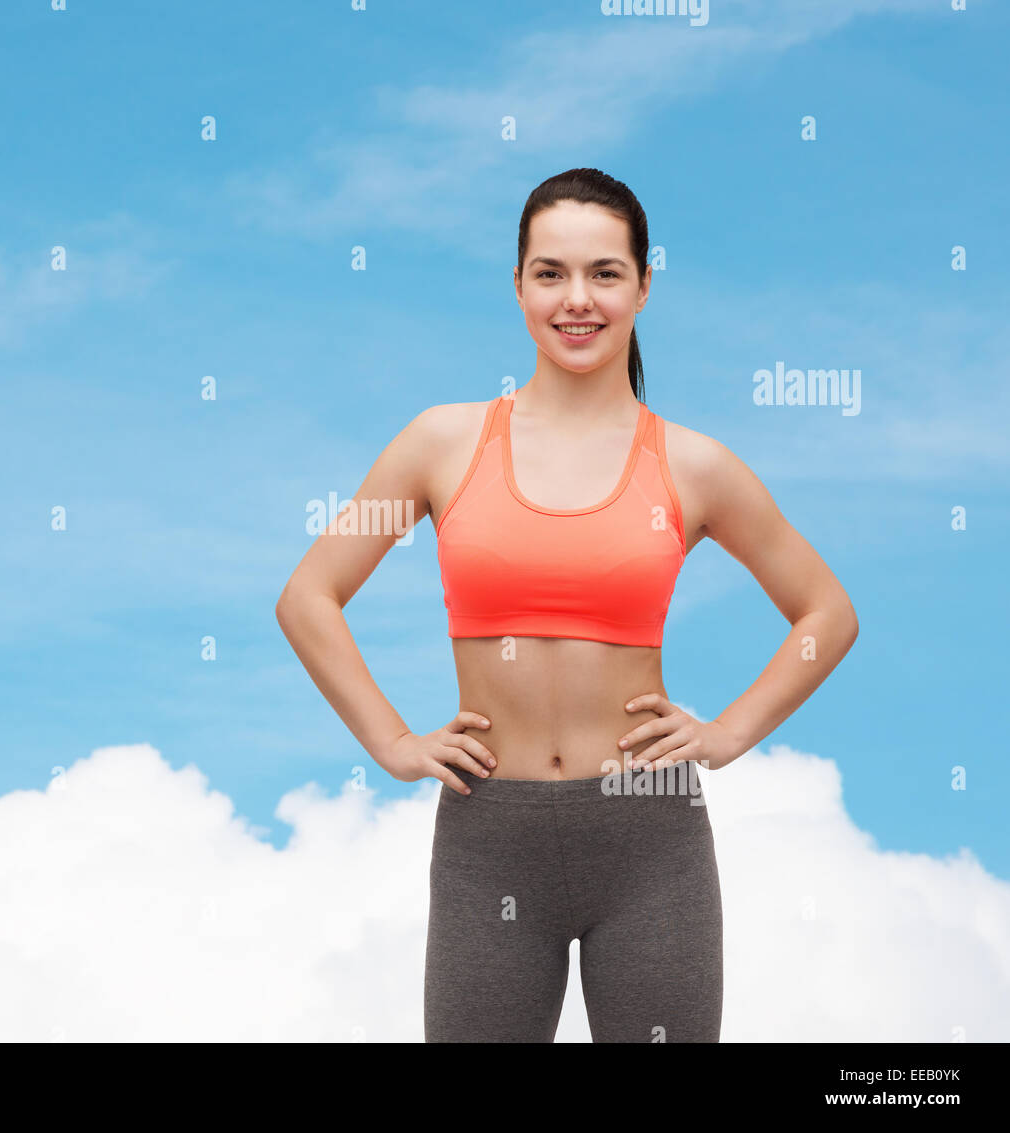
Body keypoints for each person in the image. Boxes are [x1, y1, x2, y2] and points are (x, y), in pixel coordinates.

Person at [275, 167, 859, 1043]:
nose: (576, 299)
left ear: (643, 284)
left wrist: (728, 734)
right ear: (517, 285)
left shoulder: (693, 465)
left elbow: (826, 612)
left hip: (650, 841)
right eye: (550, 273)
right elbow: (309, 595)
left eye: (604, 273)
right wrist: (392, 742)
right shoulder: (441, 443)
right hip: (488, 840)